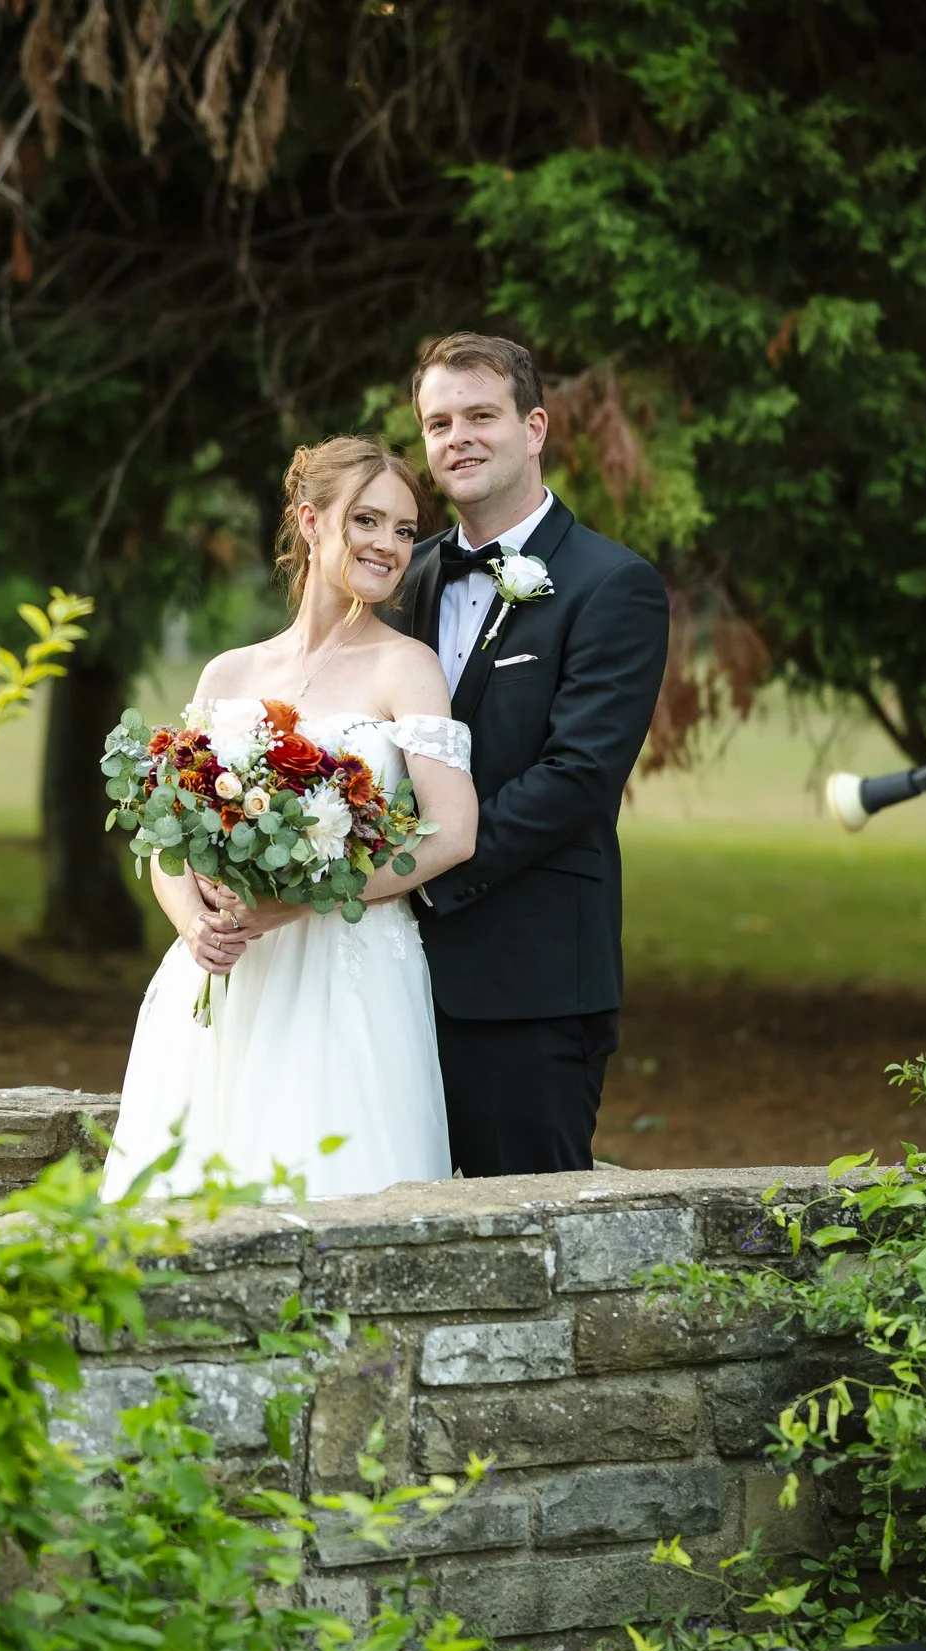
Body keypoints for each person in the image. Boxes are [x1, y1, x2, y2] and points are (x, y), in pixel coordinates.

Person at [102, 437, 480, 1201]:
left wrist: (296, 901)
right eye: (366, 520)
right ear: (310, 520)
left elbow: (452, 832)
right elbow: (168, 837)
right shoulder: (230, 672)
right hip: (226, 975)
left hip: (348, 974)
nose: (388, 545)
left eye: (405, 530)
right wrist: (191, 923)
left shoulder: (405, 666)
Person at [376, 332, 669, 1176]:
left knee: (527, 1231)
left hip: (529, 986)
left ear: (534, 428)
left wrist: (425, 859)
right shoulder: (404, 576)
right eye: (438, 423)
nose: (457, 437)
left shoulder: (611, 585)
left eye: (480, 415)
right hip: (389, 980)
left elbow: (577, 778)